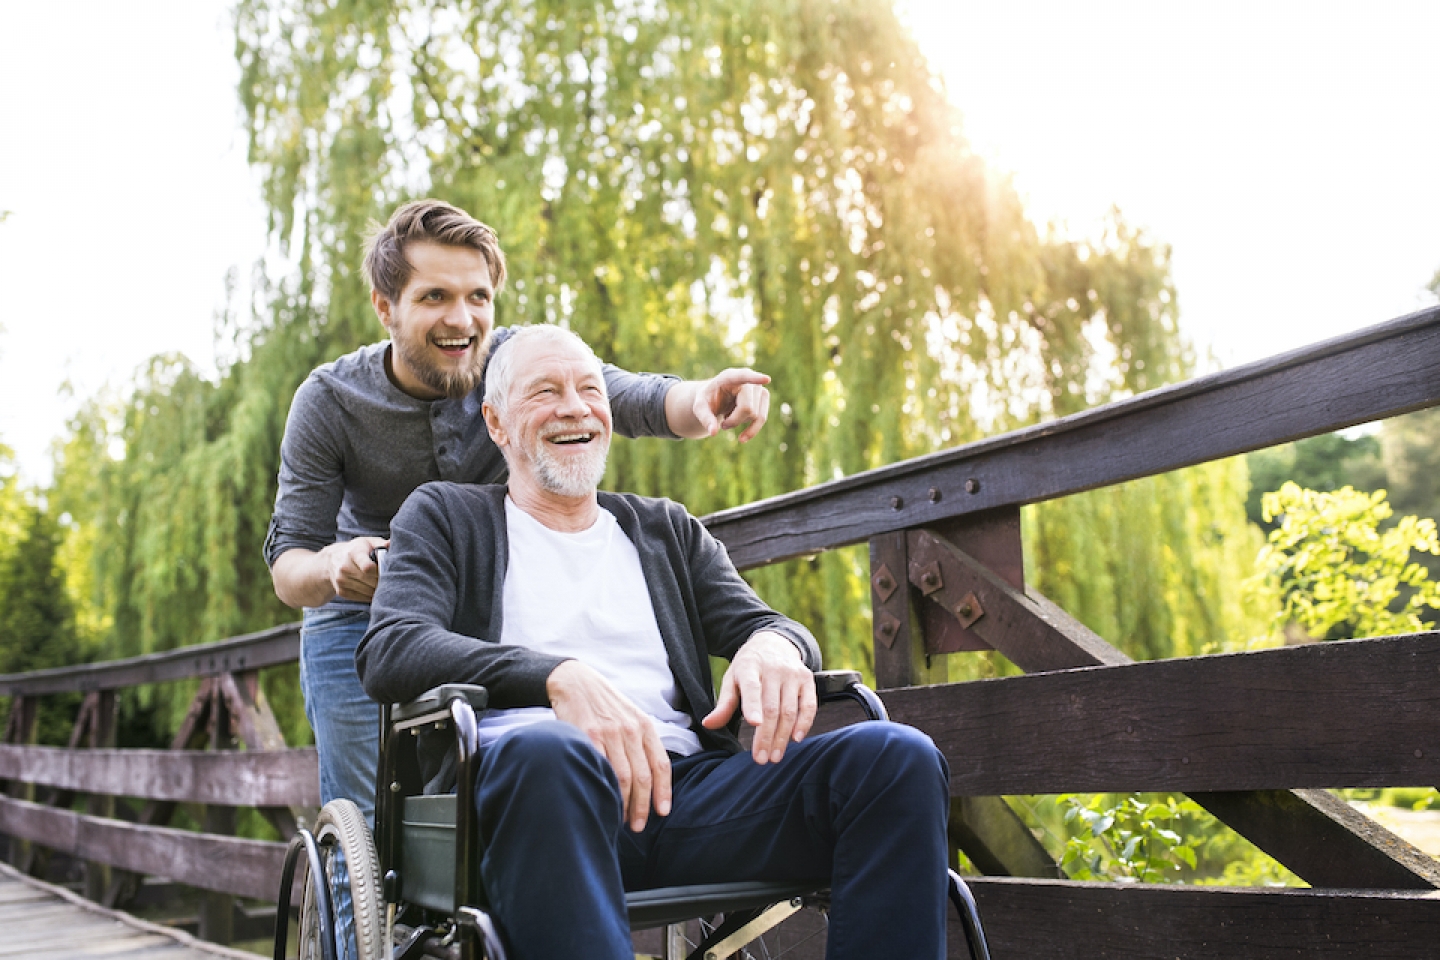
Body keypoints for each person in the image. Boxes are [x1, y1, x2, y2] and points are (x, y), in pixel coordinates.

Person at [356, 324, 951, 960]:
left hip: (686, 793)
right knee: (549, 752)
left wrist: (775, 646)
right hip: (531, 794)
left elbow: (767, 623)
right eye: (545, 392)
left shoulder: (664, 529)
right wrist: (558, 677)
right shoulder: (446, 515)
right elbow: (392, 647)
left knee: (895, 759)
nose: (576, 406)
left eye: (590, 389)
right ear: (497, 424)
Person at [265, 199, 773, 821]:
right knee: (366, 824)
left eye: (478, 296)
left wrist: (708, 399)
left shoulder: (515, 366)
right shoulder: (328, 401)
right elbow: (288, 566)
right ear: (384, 306)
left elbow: (632, 397)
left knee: (481, 798)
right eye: (434, 297)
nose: (462, 319)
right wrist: (334, 566)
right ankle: (364, 912)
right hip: (359, 617)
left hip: (479, 608)